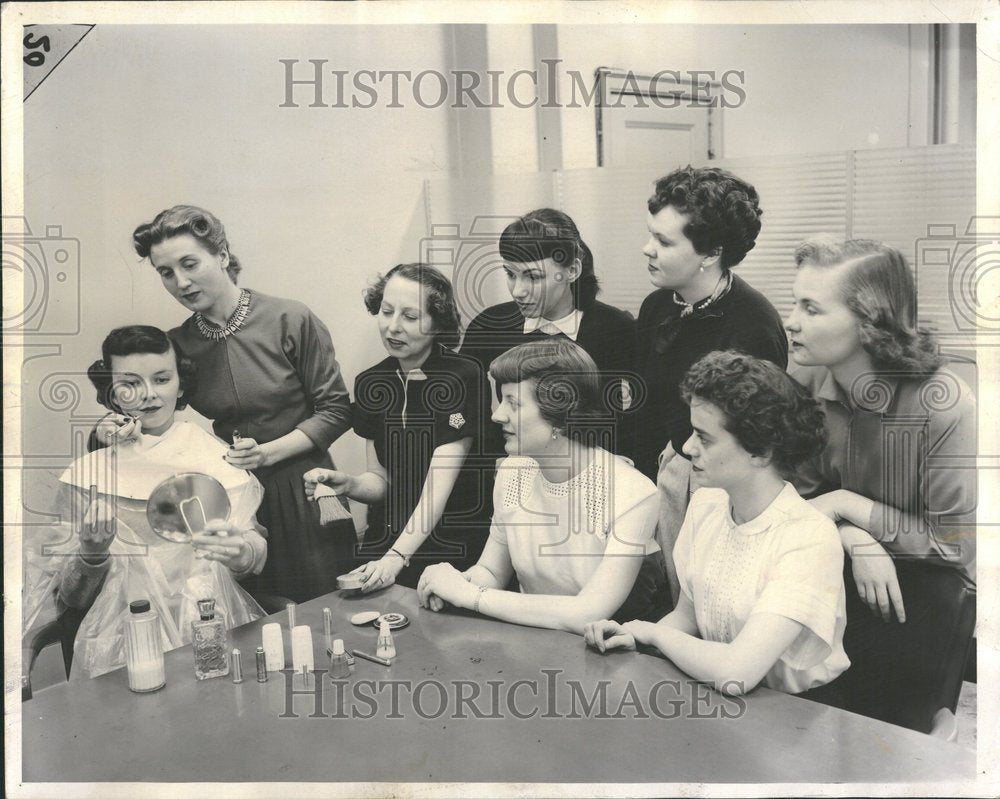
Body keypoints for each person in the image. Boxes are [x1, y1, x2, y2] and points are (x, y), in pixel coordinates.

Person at [99, 206, 355, 602]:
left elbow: (337, 410)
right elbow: (141, 404)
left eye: (189, 264)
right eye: (166, 273)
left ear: (221, 255)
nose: (181, 282)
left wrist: (268, 454)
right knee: (252, 619)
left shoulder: (290, 318)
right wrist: (112, 428)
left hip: (305, 492)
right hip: (230, 498)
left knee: (323, 611)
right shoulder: (177, 345)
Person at [585, 351, 849, 697]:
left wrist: (654, 634)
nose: (686, 447)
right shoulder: (708, 504)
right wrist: (634, 638)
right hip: (715, 694)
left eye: (704, 437)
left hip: (797, 715)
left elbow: (736, 673)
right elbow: (688, 616)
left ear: (761, 452)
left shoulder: (809, 538)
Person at [23, 326, 267, 679]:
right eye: (131, 383)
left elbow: (254, 552)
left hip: (210, 626)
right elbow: (71, 598)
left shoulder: (217, 460)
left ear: (181, 384)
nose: (149, 395)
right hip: (118, 642)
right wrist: (91, 554)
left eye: (162, 378)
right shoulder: (89, 476)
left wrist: (243, 553)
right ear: (112, 391)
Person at [417, 338, 668, 634]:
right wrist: (453, 586)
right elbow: (492, 571)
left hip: (611, 661)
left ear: (560, 415)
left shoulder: (635, 494)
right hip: (532, 644)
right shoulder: (513, 471)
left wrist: (470, 596)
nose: (497, 415)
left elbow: (587, 613)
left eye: (513, 403)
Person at [785, 239, 976, 615]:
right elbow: (788, 501)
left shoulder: (945, 405)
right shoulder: (803, 376)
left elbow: (955, 544)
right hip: (836, 569)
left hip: (933, 590)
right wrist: (852, 536)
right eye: (795, 302)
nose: (791, 321)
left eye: (811, 308)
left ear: (870, 323)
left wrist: (846, 504)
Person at [633, 166, 788, 604]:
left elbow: (757, 448)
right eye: (651, 234)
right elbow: (645, 413)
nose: (647, 249)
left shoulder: (755, 324)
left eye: (664, 242)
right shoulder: (656, 306)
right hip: (670, 471)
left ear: (711, 253)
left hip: (724, 487)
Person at [303, 264, 492, 590]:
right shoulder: (372, 383)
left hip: (452, 545)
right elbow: (380, 481)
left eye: (410, 316)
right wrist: (346, 484)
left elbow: (437, 489)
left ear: (437, 323)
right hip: (388, 541)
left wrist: (396, 557)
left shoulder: (464, 377)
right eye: (386, 311)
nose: (393, 327)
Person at [461, 208, 637, 458]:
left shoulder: (616, 330)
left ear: (572, 270)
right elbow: (465, 413)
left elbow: (634, 421)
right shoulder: (489, 325)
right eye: (510, 274)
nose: (518, 291)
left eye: (533, 277)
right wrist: (495, 462)